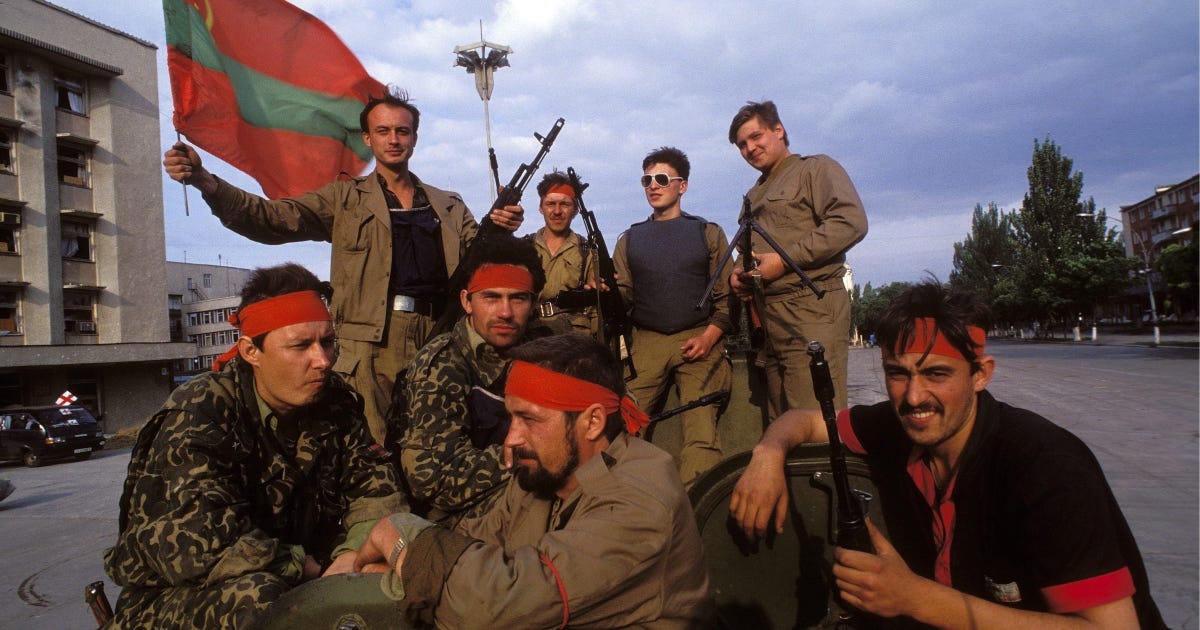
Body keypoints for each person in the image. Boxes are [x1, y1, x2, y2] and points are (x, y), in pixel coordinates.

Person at [729, 281, 1164, 628]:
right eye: (897, 374)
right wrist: (767, 455)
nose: (914, 396)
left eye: (937, 373)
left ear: (981, 375)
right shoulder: (898, 427)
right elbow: (805, 421)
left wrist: (916, 598)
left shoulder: (1044, 466)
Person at [162, 87, 525, 445]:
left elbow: (486, 264)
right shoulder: (344, 199)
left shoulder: (449, 206)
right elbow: (270, 219)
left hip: (442, 336)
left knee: (442, 439)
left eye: (402, 131)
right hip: (372, 345)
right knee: (375, 445)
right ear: (368, 138)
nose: (394, 139)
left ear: (414, 137)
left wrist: (503, 227)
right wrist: (205, 181)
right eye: (383, 131)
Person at [103, 264, 408, 630]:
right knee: (261, 599)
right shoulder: (201, 410)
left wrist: (355, 554)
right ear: (251, 351)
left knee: (394, 567)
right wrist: (313, 568)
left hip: (303, 574)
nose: (323, 361)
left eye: (327, 342)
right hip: (175, 596)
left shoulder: (335, 401)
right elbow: (198, 542)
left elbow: (377, 489)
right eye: (301, 345)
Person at [356, 334, 713, 628]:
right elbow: (471, 543)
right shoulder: (544, 476)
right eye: (511, 418)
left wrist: (399, 534)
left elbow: (496, 608)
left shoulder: (638, 501)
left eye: (530, 419)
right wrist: (398, 568)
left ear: (592, 422)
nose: (511, 439)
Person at [390, 233, 545, 526]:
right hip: (458, 518)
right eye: (491, 297)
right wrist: (540, 449)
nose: (506, 312)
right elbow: (434, 481)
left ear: (533, 303)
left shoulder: (544, 347)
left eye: (518, 298)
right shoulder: (442, 364)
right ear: (467, 301)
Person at [727, 100, 867, 416]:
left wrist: (783, 261)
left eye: (756, 136)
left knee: (815, 420)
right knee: (782, 424)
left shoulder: (815, 169)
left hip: (810, 312)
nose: (750, 148)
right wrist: (738, 273)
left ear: (778, 130)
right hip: (769, 321)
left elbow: (850, 222)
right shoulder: (753, 195)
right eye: (742, 145)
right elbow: (748, 250)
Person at [613, 147, 734, 487]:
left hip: (698, 337)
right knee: (622, 424)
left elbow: (727, 299)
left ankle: (696, 504)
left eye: (662, 179)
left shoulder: (707, 233)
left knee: (701, 430)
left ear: (682, 186)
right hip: (646, 342)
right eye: (647, 180)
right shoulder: (629, 240)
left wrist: (709, 338)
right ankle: (615, 501)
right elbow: (623, 297)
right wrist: (604, 290)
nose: (653, 185)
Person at [525, 170, 600, 339]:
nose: (557, 211)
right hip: (529, 335)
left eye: (565, 204)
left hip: (573, 339)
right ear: (541, 207)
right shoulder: (524, 248)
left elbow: (596, 308)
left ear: (575, 209)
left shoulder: (588, 251)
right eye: (550, 204)